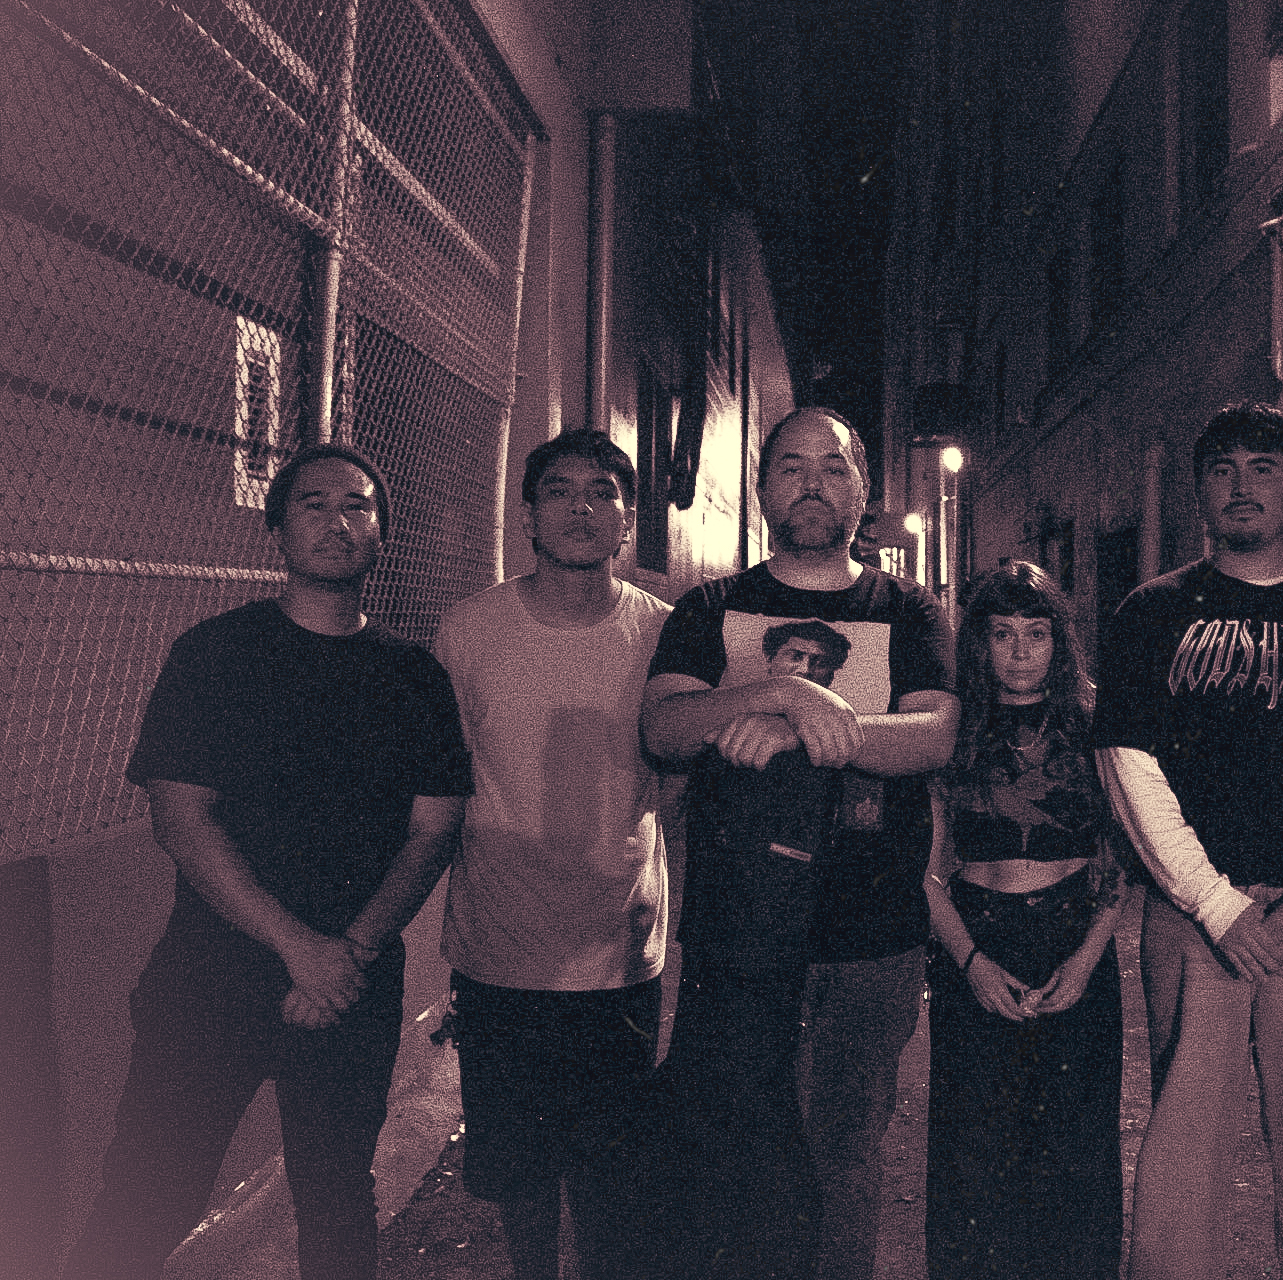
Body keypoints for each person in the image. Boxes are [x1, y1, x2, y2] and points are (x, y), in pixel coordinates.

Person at [64, 445, 472, 1280]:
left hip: (352, 984)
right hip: (210, 977)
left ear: (381, 535)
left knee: (336, 1199)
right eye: (314, 504)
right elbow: (180, 818)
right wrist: (303, 951)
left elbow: (433, 830)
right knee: (150, 1191)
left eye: (358, 506)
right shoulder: (215, 654)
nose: (337, 521)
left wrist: (349, 954)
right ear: (277, 529)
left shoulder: (414, 676)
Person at [642, 406, 958, 1280]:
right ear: (762, 486)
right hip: (738, 936)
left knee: (846, 1153)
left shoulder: (909, 611)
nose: (812, 482)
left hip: (871, 937)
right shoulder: (712, 607)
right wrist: (775, 699)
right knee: (735, 1145)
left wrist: (803, 720)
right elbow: (666, 728)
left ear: (862, 487)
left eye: (833, 465)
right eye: (790, 466)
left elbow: (932, 737)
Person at [1092, 404, 1283, 1280]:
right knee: (1184, 1155)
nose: (1242, 485)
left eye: (1263, 467)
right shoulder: (1153, 612)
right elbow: (1130, 765)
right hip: (1193, 918)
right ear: (1199, 489)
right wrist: (1218, 905)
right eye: (1223, 468)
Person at [430, 430, 673, 1280]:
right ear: (528, 513)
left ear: (627, 517)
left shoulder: (663, 636)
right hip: (502, 956)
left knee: (616, 1178)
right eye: (560, 490)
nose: (581, 506)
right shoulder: (469, 632)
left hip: (621, 956)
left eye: (602, 491)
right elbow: (447, 782)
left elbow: (676, 780)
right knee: (519, 1177)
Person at [922, 562, 1126, 1280]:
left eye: (1035, 635)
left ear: (1059, 642)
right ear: (978, 643)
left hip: (1075, 937)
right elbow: (927, 870)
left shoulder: (1097, 719)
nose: (1017, 651)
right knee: (974, 1155)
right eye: (1001, 634)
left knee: (1075, 1153)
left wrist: (1087, 958)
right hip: (977, 936)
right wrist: (970, 963)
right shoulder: (950, 726)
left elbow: (1118, 857)